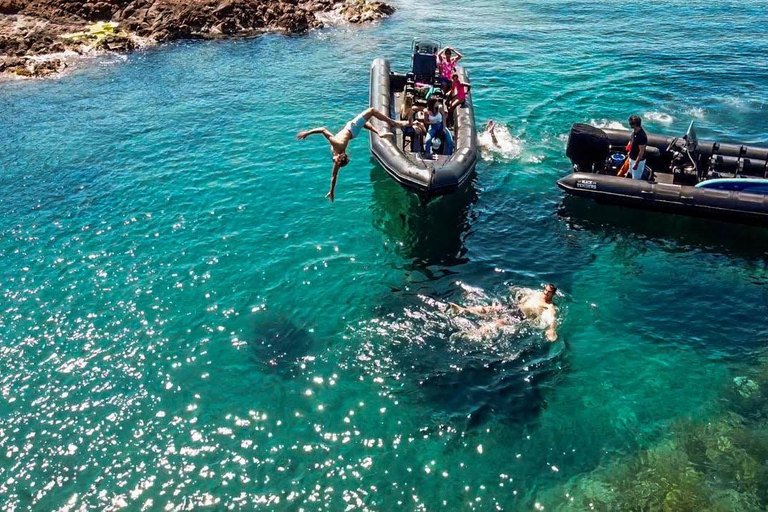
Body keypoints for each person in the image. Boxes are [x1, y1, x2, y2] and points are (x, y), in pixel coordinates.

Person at [297, 108, 400, 201]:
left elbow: (334, 176)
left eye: (335, 162)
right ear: (339, 157)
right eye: (335, 161)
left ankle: (381, 130)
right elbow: (323, 130)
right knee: (371, 111)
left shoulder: (338, 157)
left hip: (353, 133)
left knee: (364, 123)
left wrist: (332, 191)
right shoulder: (337, 145)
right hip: (352, 128)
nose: (334, 162)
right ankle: (389, 125)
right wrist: (307, 133)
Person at [450, 283, 559, 342]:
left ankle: (472, 334)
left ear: (553, 295)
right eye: (545, 290)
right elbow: (526, 291)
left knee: (498, 322)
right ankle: (463, 310)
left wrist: (551, 330)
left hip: (520, 316)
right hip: (514, 307)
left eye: (548, 292)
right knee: (490, 309)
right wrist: (516, 289)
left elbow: (552, 319)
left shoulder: (549, 306)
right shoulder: (537, 293)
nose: (545, 293)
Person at [619, 115, 648, 180]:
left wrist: (636, 164)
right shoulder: (634, 132)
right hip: (632, 157)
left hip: (637, 161)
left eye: (630, 123)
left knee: (636, 178)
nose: (629, 125)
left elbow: (641, 152)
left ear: (634, 124)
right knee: (630, 172)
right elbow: (632, 141)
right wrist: (629, 151)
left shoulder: (642, 136)